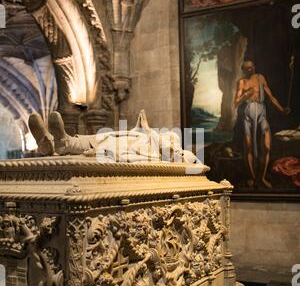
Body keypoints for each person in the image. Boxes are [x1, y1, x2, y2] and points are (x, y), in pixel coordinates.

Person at [28, 110, 202, 165]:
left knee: (104, 145)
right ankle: (59, 140)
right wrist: (140, 128)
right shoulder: (172, 138)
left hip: (133, 149)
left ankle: (59, 144)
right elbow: (165, 144)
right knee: (99, 138)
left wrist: (148, 130)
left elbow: (171, 154)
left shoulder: (182, 156)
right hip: (133, 138)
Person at [234, 60, 289, 188]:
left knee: (266, 145)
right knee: (248, 146)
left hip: (261, 114)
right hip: (247, 115)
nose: (249, 70)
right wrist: (246, 95)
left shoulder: (260, 78)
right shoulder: (242, 82)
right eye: (246, 68)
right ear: (243, 70)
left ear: (254, 67)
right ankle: (252, 178)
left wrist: (282, 109)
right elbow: (236, 103)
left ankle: (262, 177)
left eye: (251, 67)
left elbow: (271, 96)